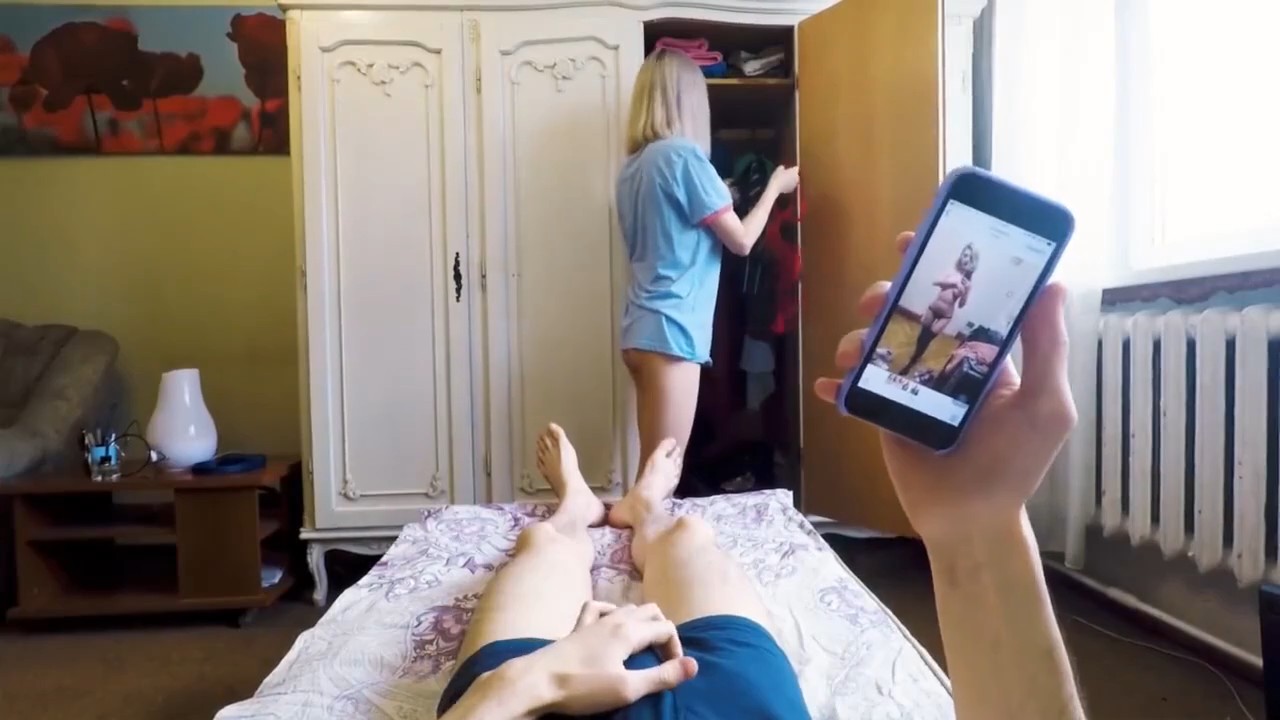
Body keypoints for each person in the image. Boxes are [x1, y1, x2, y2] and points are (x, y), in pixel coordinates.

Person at [438, 231, 1086, 720]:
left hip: (520, 700)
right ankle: (645, 510)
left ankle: (579, 510)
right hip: (734, 701)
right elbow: (740, 236)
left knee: (546, 545)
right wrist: (979, 533)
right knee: (687, 535)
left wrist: (534, 680)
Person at [616, 47, 800, 477]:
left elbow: (676, 228)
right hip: (672, 332)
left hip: (640, 330)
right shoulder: (682, 156)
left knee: (652, 472)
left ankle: (632, 523)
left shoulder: (633, 168)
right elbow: (742, 241)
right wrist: (775, 186)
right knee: (662, 477)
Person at [901, 243, 979, 375]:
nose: (965, 259)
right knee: (922, 336)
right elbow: (935, 282)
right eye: (964, 255)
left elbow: (961, 305)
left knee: (927, 338)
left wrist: (964, 292)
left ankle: (911, 362)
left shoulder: (968, 284)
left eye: (969, 257)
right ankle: (916, 356)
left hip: (946, 316)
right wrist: (953, 283)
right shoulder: (952, 273)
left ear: (973, 261)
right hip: (933, 308)